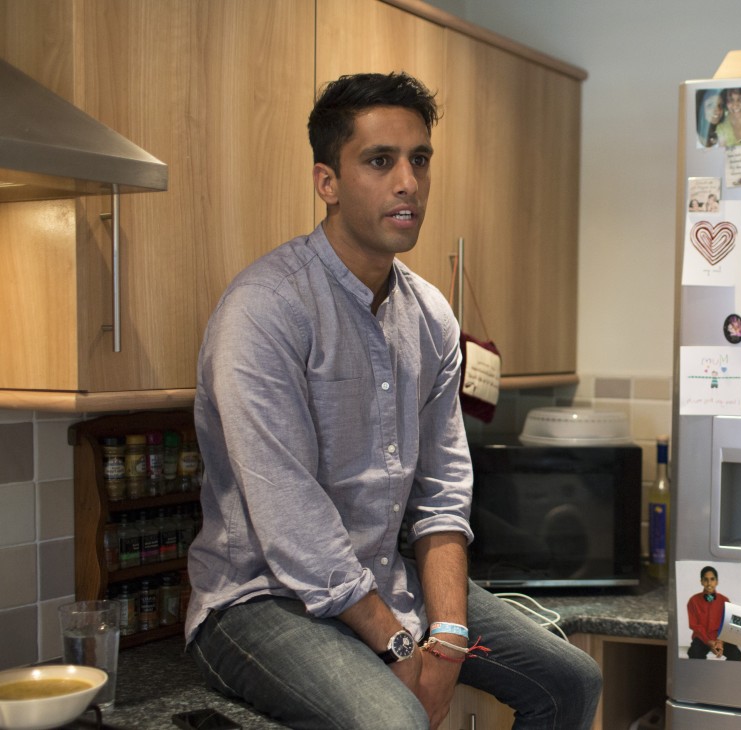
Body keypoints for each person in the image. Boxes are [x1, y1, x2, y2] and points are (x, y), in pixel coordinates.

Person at [183, 71, 601, 730]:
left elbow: (441, 493)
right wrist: (404, 651)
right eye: (381, 161)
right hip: (260, 603)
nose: (408, 181)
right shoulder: (264, 312)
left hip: (383, 578)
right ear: (327, 182)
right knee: (397, 722)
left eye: (420, 160)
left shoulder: (430, 314)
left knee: (572, 681)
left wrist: (451, 638)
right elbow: (293, 523)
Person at [685, 566, 741, 661]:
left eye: (712, 579)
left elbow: (727, 624)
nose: (709, 583)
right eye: (706, 579)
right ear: (701, 582)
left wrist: (720, 642)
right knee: (694, 653)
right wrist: (708, 641)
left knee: (736, 655)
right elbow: (694, 625)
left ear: (717, 582)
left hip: (721, 639)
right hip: (702, 638)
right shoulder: (693, 600)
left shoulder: (725, 600)